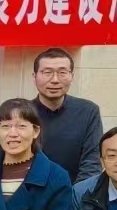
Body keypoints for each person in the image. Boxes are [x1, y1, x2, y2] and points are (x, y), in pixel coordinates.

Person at [30, 48, 102, 183]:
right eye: (47, 72)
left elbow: (91, 163)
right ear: (34, 77)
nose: (55, 80)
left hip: (75, 191)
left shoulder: (88, 111)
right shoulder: (23, 113)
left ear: (72, 76)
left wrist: (77, 193)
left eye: (62, 73)